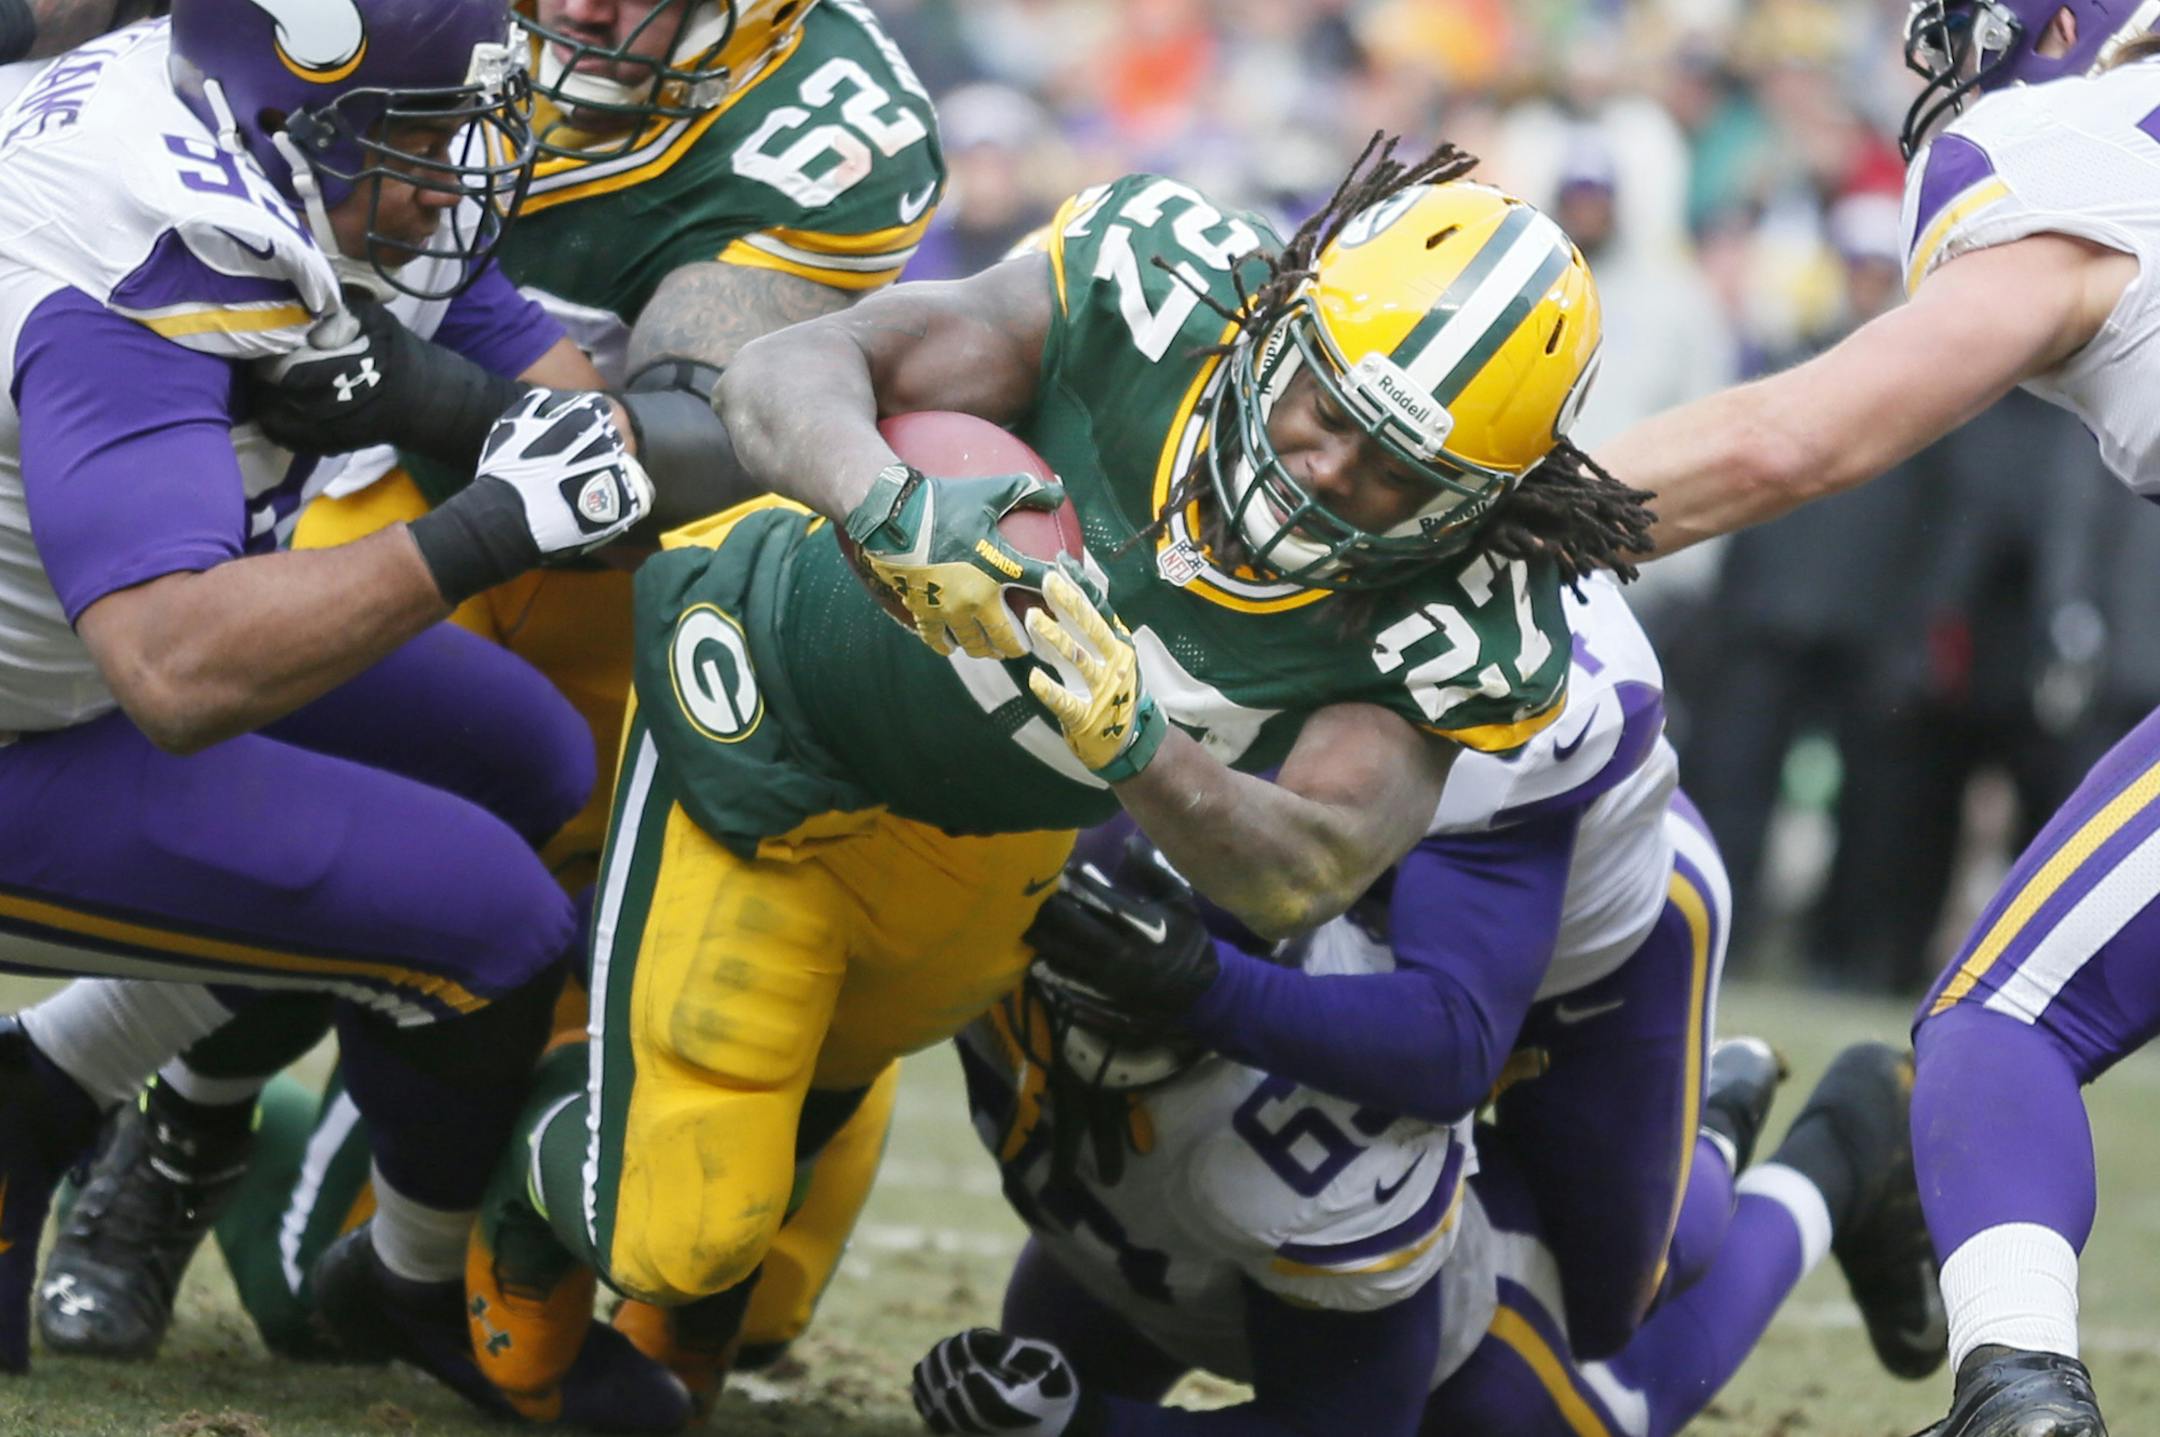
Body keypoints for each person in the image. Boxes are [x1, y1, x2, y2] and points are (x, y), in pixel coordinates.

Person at [451, 138, 1651, 1421]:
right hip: (776, 708)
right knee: (682, 1228)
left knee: (787, 1191)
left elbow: (1307, 870)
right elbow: (785, 371)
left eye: (1403, 472)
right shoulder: (1158, 292)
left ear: (1483, 502)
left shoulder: (1464, 615)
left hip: (995, 827)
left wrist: (1138, 745)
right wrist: (889, 508)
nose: (1333, 473)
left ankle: (686, 1182)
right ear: (1284, 319)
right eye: (1327, 410)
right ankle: (511, 1207)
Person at [35, 0, 947, 1374]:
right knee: (449, 902)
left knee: (520, 779)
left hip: (511, 572)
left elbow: (684, 434)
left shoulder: (815, 122)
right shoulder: (167, 219)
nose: (575, 10)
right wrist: (470, 497)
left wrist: (447, 405)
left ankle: (114, 1103)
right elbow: (177, 664)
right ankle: (170, 1130)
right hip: (178, 585)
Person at [0, 0, 658, 1379]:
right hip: (54, 701)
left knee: (528, 759)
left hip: (82, 647)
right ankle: (414, 1293)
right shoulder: (137, 241)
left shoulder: (285, 135)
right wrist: (480, 524)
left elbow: (589, 449)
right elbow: (177, 668)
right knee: (491, 932)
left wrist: (422, 391)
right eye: (420, 137)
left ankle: (36, 1088)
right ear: (293, 110)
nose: (451, 178)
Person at [1594, 3, 2160, 1431]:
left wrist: (1471, 517)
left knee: (2001, 1020)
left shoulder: (2061, 149)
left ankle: (2021, 1392)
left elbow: (1798, 437)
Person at [1014, 571, 1942, 1371]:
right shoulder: (1273, 549)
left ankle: (1746, 1133)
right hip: (1366, 905)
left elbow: (1453, 1038)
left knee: (1619, 1303)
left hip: (1590, 962)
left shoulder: (1508, 702)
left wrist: (1198, 987)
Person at [907, 860, 1928, 1437]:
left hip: (1422, 1277)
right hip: (1149, 1246)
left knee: (1634, 1319)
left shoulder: (1316, 1143)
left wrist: (1093, 1430)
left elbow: (1343, 1433)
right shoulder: (997, 934)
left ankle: (1829, 1139)